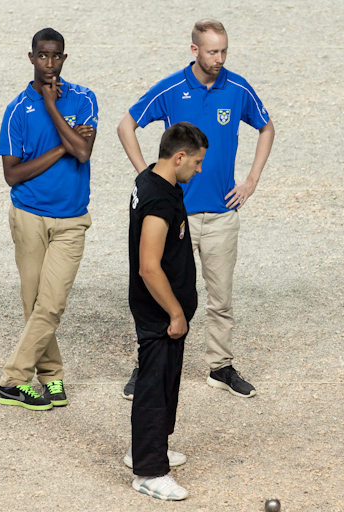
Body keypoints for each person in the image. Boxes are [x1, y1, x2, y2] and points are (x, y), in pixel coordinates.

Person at [117, 19, 276, 399]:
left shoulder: (238, 88)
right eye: (212, 52)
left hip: (221, 215)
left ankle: (220, 367)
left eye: (224, 51)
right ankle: (147, 365)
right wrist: (148, 176)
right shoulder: (172, 88)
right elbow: (126, 125)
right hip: (176, 217)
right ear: (195, 50)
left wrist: (251, 181)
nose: (219, 59)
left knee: (221, 298)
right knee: (160, 291)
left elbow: (266, 128)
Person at [0, 28, 97, 411]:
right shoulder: (16, 110)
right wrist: (61, 147)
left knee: (51, 304)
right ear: (31, 57)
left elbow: (83, 152)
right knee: (34, 302)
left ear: (64, 58)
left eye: (56, 56)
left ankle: (13, 380)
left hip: (71, 220)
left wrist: (53, 107)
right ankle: (51, 376)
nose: (49, 63)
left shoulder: (84, 99)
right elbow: (13, 174)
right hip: (28, 217)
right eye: (42, 56)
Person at [127, 122, 207, 501]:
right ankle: (148, 471)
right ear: (179, 157)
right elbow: (149, 266)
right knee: (154, 387)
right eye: (196, 162)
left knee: (165, 382)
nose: (199, 169)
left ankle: (150, 446)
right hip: (159, 313)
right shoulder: (159, 201)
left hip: (164, 311)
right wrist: (176, 313)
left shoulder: (151, 179)